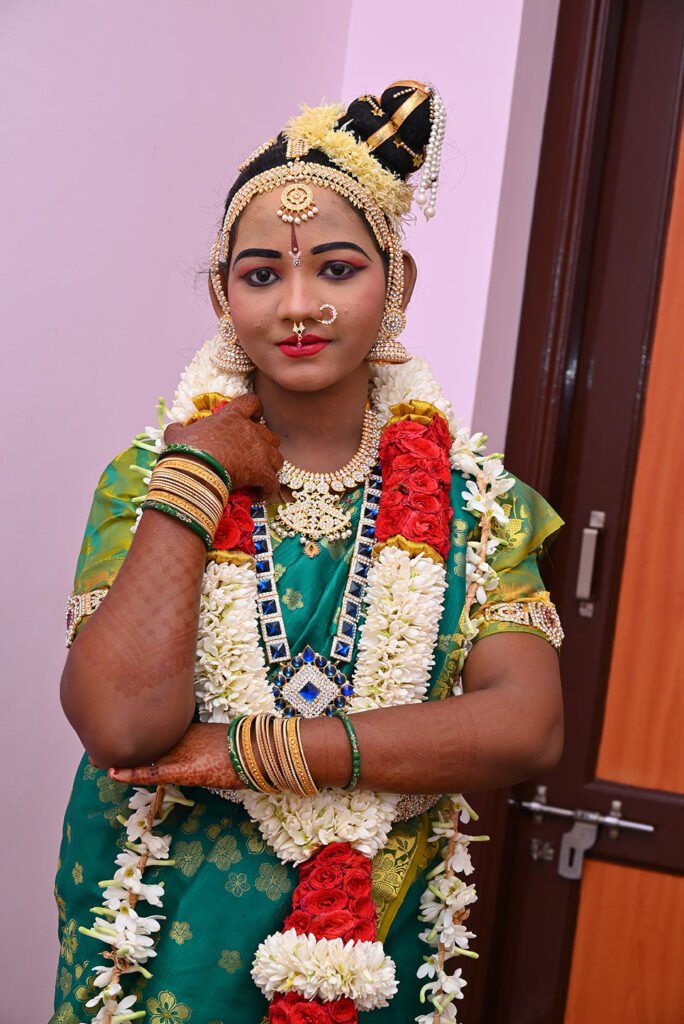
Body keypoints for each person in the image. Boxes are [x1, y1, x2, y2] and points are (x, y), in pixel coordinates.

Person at [52, 80, 564, 1024]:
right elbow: (122, 730)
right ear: (222, 294)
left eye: (336, 269)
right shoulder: (148, 481)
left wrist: (254, 752)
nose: (298, 305)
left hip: (376, 937)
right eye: (260, 275)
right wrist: (196, 477)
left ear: (397, 284)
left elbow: (526, 725)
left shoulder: (477, 507)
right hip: (160, 948)